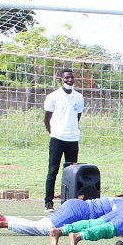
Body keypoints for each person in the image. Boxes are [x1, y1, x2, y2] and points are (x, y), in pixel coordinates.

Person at [0, 189, 123, 238]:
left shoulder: (120, 201)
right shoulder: (122, 205)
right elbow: (122, 230)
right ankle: (2, 222)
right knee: (42, 229)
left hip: (76, 207)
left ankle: (2, 217)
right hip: (77, 212)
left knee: (42, 224)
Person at [42, 67, 85, 212]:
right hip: (57, 138)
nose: (70, 80)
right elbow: (46, 119)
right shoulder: (53, 96)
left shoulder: (78, 97)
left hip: (72, 139)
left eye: (72, 77)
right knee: (53, 170)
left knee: (71, 171)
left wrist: (72, 130)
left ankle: (69, 202)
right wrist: (53, 132)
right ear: (61, 79)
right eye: (67, 77)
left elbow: (77, 117)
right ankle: (48, 202)